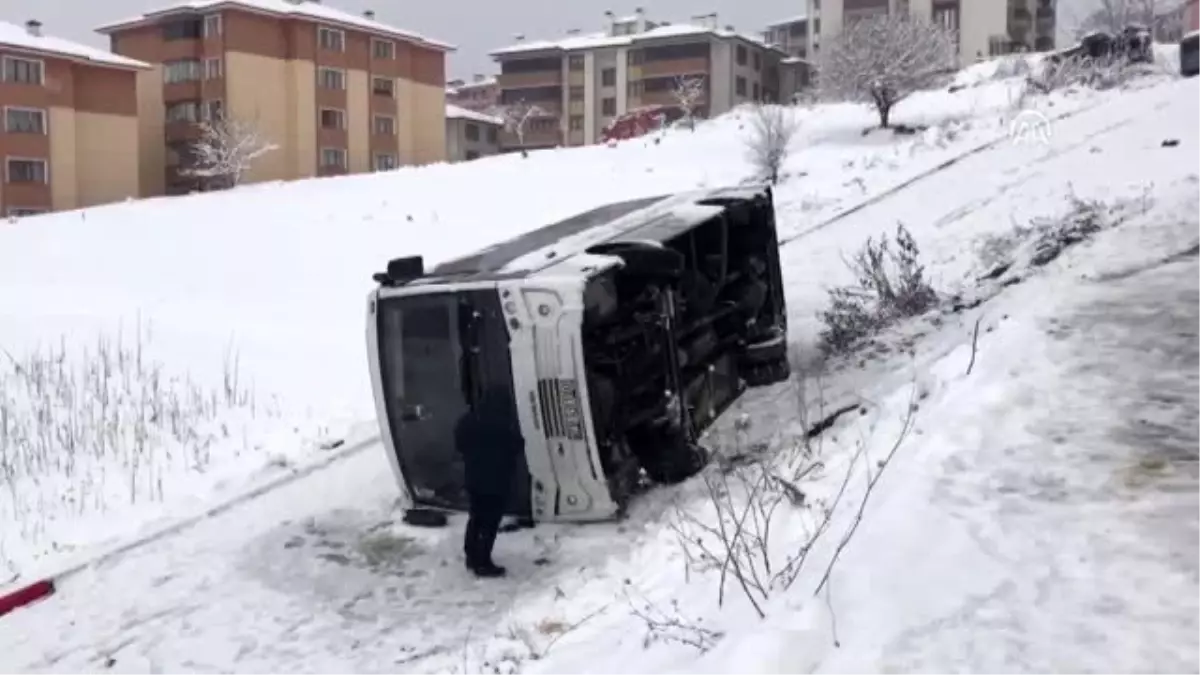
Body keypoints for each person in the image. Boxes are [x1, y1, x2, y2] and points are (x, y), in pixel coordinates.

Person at [454, 385, 524, 578]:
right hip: (495, 481)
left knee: (476, 518)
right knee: (489, 523)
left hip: (474, 478)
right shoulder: (502, 424)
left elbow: (459, 444)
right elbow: (516, 446)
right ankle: (483, 563)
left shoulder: (468, 420)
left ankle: (471, 556)